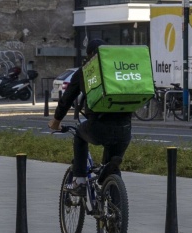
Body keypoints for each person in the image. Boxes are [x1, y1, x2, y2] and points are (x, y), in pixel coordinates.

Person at [48, 39, 132, 196]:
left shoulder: (85, 71)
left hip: (99, 128)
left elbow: (66, 100)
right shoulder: (118, 69)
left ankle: (79, 181)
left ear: (90, 55)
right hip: (125, 130)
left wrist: (56, 121)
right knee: (111, 168)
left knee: (80, 136)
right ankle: (116, 215)